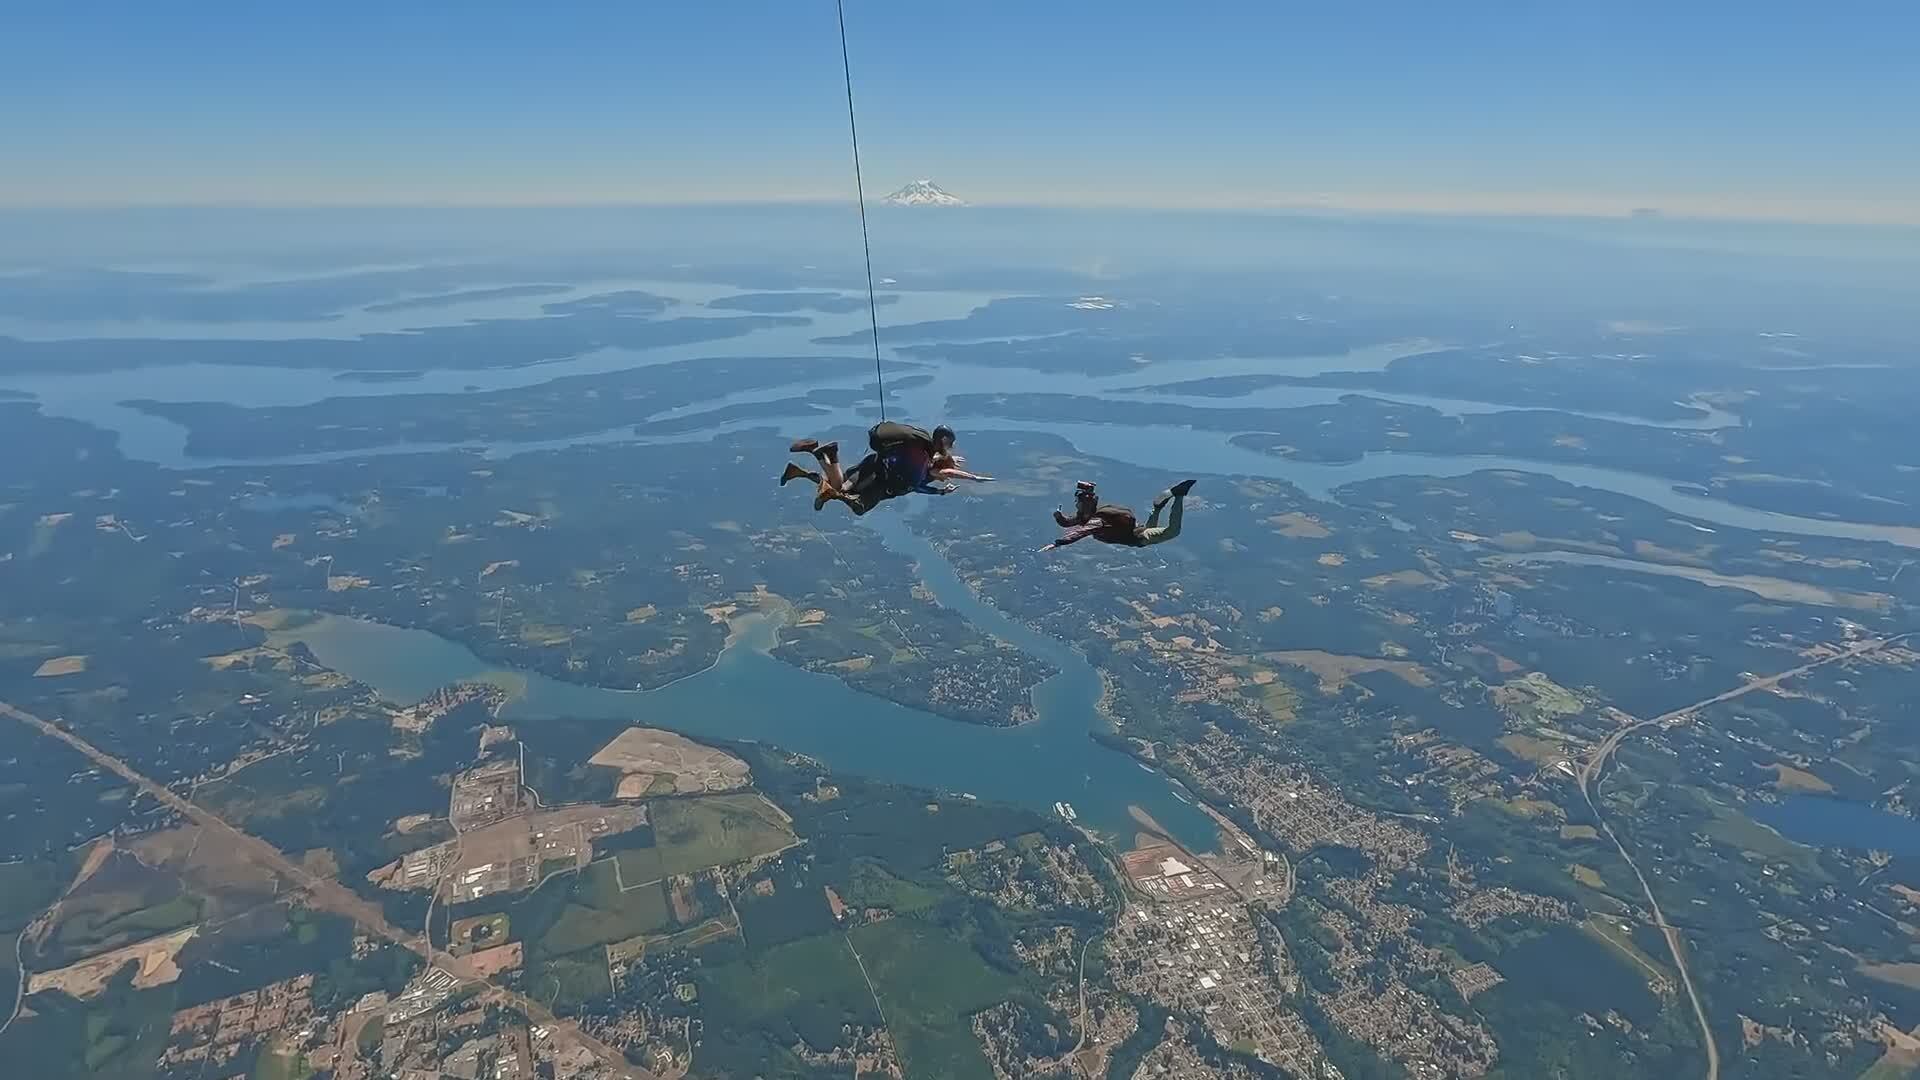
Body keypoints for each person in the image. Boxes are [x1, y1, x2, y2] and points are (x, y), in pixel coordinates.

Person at [779, 423, 990, 515]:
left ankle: (814, 454)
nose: (945, 478)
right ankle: (827, 457)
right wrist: (975, 478)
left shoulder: (923, 453)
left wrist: (940, 491)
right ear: (943, 442)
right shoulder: (928, 467)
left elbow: (933, 477)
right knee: (850, 499)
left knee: (840, 485)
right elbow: (946, 473)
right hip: (878, 477)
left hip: (873, 464)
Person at [1040, 478, 1195, 551]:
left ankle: (1179, 495)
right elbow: (1068, 523)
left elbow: (1079, 533)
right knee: (1149, 529)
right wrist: (1058, 516)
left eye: (1077, 503)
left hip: (1139, 537)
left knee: (1172, 532)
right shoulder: (1088, 516)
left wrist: (1057, 543)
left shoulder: (1095, 521)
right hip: (1137, 532)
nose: (1076, 505)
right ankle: (1158, 506)